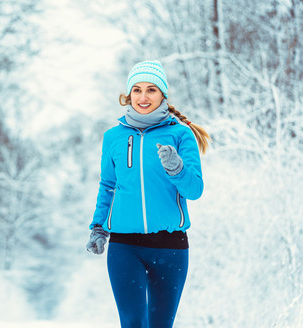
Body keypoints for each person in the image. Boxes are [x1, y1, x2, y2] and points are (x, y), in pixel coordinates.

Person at [86, 60, 210, 328]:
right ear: (128, 95)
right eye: (137, 90)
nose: (143, 97)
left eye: (151, 90)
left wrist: (177, 169)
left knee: (160, 325)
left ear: (163, 95)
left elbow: (195, 190)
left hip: (170, 247)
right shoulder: (113, 137)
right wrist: (98, 227)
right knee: (132, 323)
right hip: (125, 247)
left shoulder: (181, 135)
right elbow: (107, 185)